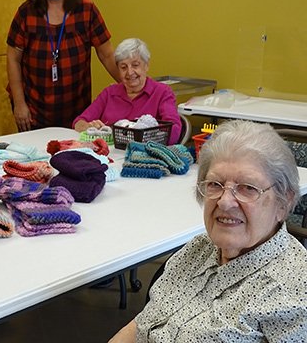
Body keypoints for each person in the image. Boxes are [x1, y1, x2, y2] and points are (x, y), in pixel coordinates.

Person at [109, 120, 307, 342]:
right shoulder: (196, 250)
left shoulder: (294, 291)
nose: (225, 202)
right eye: (215, 184)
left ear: (283, 202)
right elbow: (141, 324)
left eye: (247, 188)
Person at [6, 0, 119, 132]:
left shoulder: (86, 9)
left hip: (77, 111)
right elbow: (13, 59)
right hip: (34, 110)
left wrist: (131, 86)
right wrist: (19, 104)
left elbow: (107, 55)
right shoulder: (26, 12)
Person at [72, 38, 181, 145]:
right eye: (123, 67)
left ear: (146, 66)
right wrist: (88, 127)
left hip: (144, 155)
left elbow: (174, 131)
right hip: (109, 155)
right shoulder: (109, 93)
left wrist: (144, 136)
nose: (130, 72)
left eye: (135, 65)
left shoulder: (162, 92)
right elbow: (78, 123)